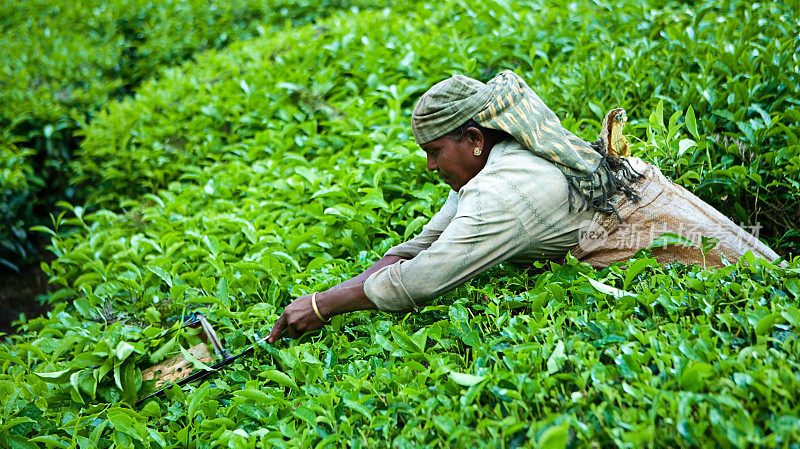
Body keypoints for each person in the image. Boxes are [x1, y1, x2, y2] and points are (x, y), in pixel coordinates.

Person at [267, 70, 780, 343]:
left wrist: (324, 306)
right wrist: (341, 289)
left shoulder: (504, 193)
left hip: (670, 241)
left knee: (767, 293)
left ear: (471, 138)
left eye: (432, 151)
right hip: (647, 217)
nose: (428, 166)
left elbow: (423, 280)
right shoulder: (497, 161)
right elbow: (424, 246)